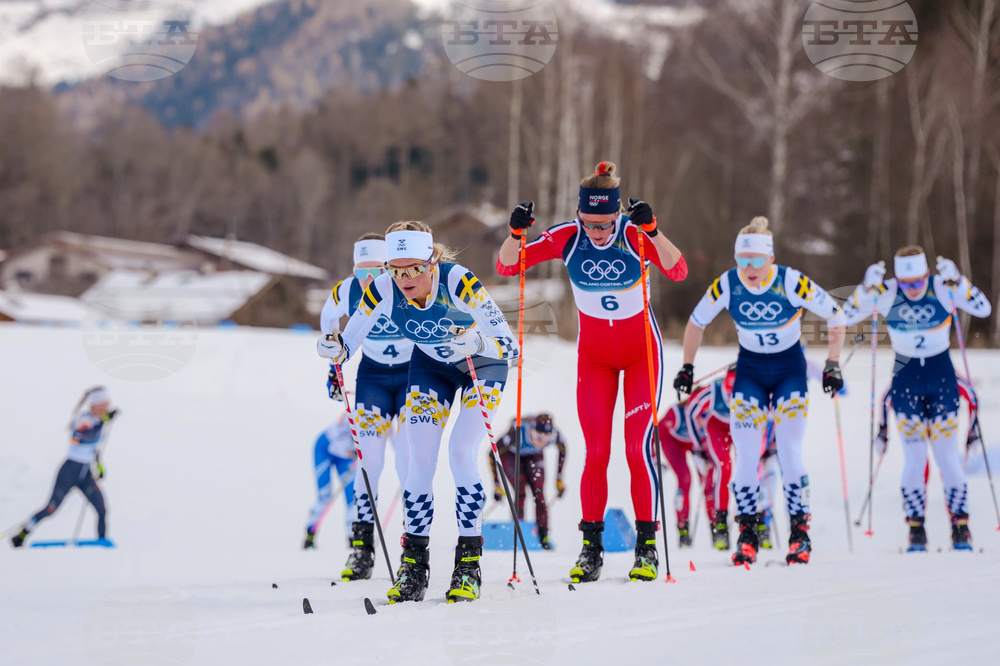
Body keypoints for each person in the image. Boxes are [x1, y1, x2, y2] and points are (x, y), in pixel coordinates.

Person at [498, 161, 687, 584]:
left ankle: (647, 548)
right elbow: (509, 266)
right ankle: (591, 550)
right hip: (596, 358)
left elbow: (678, 269)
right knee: (596, 452)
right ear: (580, 216)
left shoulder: (635, 234)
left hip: (642, 355)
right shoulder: (567, 237)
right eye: (590, 224)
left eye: (605, 225)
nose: (597, 234)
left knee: (637, 450)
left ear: (618, 216)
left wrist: (654, 232)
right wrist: (515, 233)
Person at [318, 221, 518, 603]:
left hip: (481, 365)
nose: (405, 279)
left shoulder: (459, 282)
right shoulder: (381, 289)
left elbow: (510, 346)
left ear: (432, 262)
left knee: (461, 452)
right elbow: (351, 341)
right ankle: (414, 567)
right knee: (419, 459)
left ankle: (468, 564)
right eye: (396, 269)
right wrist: (333, 351)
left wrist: (477, 340)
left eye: (413, 269)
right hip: (430, 368)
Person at [675, 216, 845, 566]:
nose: (749, 268)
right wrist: (688, 367)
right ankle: (748, 533)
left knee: (788, 451)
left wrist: (832, 363)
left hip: (789, 372)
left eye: (756, 260)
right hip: (750, 372)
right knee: (747, 455)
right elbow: (696, 321)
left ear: (770, 257)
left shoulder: (790, 281)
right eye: (742, 260)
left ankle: (800, 535)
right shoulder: (728, 284)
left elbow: (835, 314)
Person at [843, 249, 991, 551]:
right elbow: (845, 315)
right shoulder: (887, 292)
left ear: (927, 275)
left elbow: (984, 309)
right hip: (906, 380)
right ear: (899, 277)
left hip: (942, 380)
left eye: (917, 282)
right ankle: (916, 528)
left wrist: (960, 282)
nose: (912, 289)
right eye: (906, 283)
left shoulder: (942, 287)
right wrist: (864, 289)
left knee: (947, 458)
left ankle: (960, 527)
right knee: (914, 459)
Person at [320, 233, 413, 580]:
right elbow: (327, 318)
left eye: (377, 270)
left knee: (407, 461)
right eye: (362, 273)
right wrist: (334, 366)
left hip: (409, 377)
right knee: (369, 461)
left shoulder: (402, 285)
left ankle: (411, 548)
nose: (369, 280)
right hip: (372, 378)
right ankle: (361, 550)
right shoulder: (347, 290)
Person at [11, 387, 119, 547]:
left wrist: (99, 466)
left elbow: (94, 448)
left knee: (102, 508)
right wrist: (102, 422)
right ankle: (23, 532)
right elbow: (82, 437)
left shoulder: (99, 422)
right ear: (94, 405)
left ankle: (102, 543)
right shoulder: (84, 419)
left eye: (106, 405)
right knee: (51, 508)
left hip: (86, 474)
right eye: (102, 405)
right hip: (69, 471)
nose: (105, 409)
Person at [658, 367, 735, 550]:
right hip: (673, 443)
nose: (705, 413)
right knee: (685, 480)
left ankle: (716, 531)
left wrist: (705, 454)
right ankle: (683, 530)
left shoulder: (708, 414)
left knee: (708, 483)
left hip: (693, 445)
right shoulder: (677, 413)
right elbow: (657, 431)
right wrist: (655, 459)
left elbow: (706, 439)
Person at [490, 413, 568, 549]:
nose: (542, 441)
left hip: (533, 454)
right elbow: (492, 453)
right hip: (511, 454)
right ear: (531, 429)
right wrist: (497, 484)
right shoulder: (516, 435)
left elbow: (563, 449)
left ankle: (543, 536)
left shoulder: (555, 435)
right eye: (538, 437)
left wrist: (559, 478)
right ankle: (520, 534)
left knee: (539, 493)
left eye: (546, 438)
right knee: (520, 492)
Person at [303, 412, 358, 549]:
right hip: (325, 450)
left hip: (345, 456)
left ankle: (352, 538)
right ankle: (310, 534)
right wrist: (353, 452)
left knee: (352, 497)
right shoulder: (351, 415)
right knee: (325, 495)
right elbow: (335, 445)